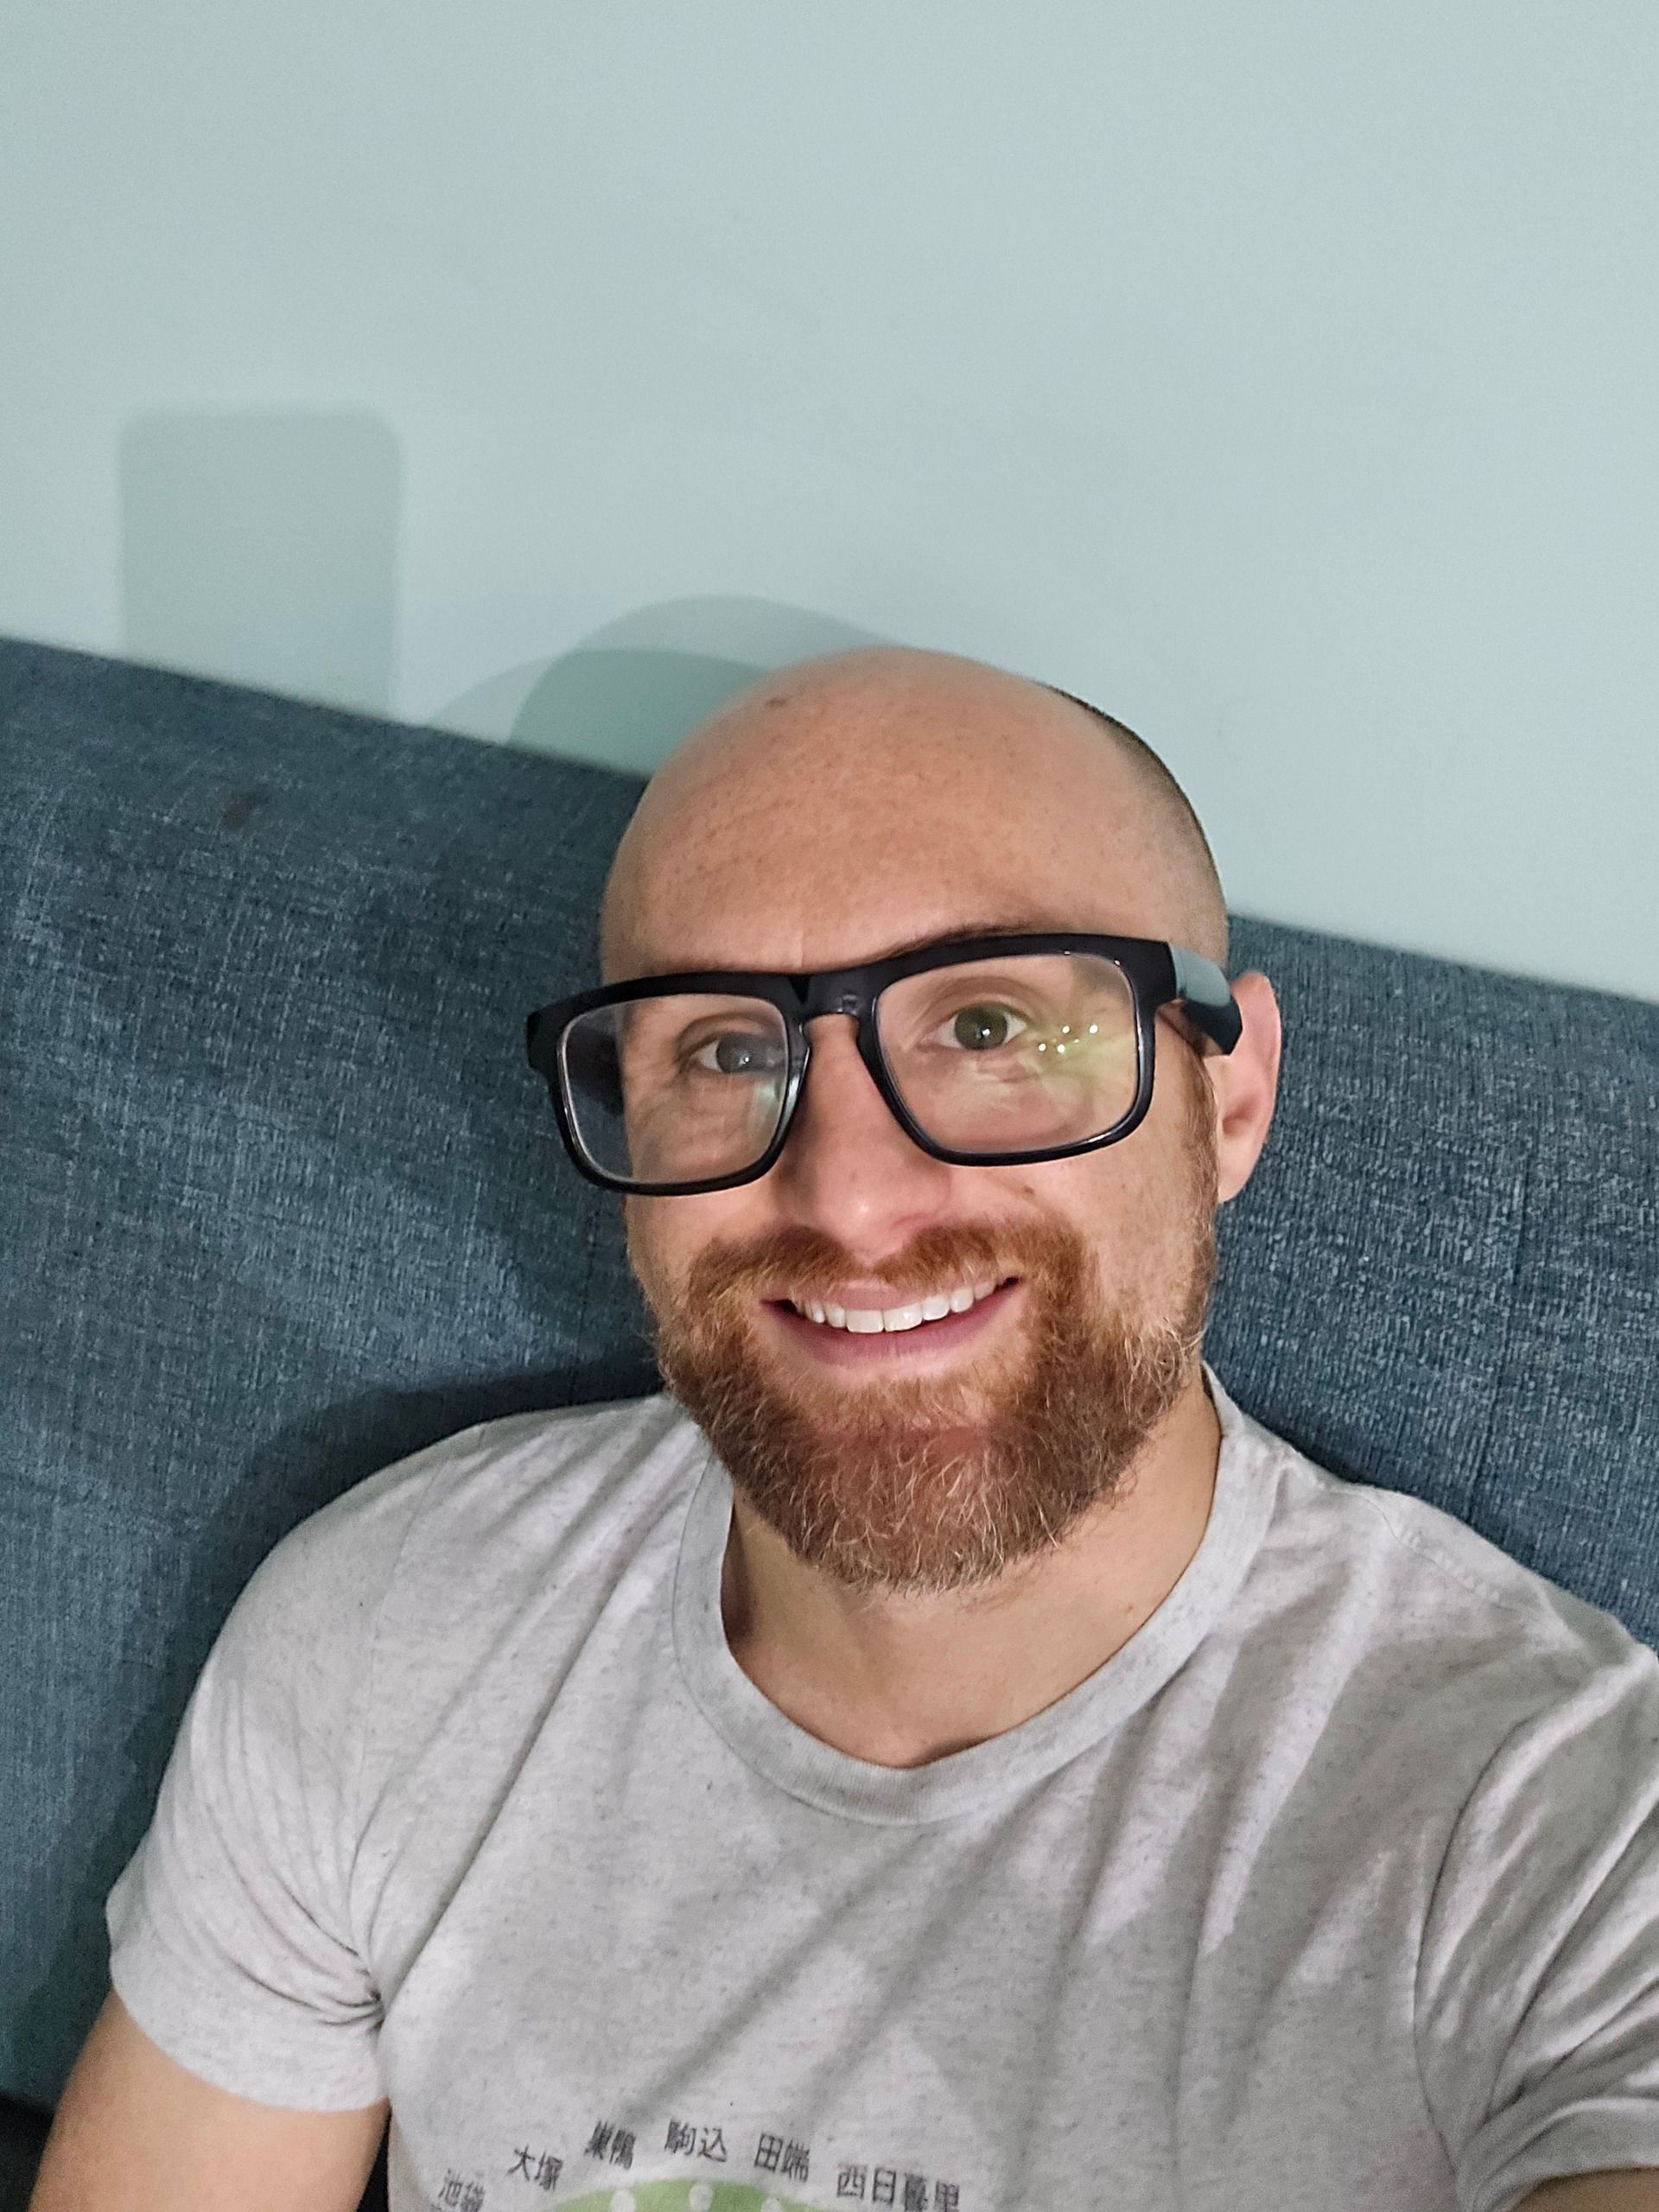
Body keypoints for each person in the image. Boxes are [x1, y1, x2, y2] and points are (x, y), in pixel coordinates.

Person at [31, 651, 1659, 2212]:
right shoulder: (385, 1635)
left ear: (1227, 1102)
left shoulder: (1554, 1829)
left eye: (990, 1029)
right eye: (729, 1051)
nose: (854, 1199)